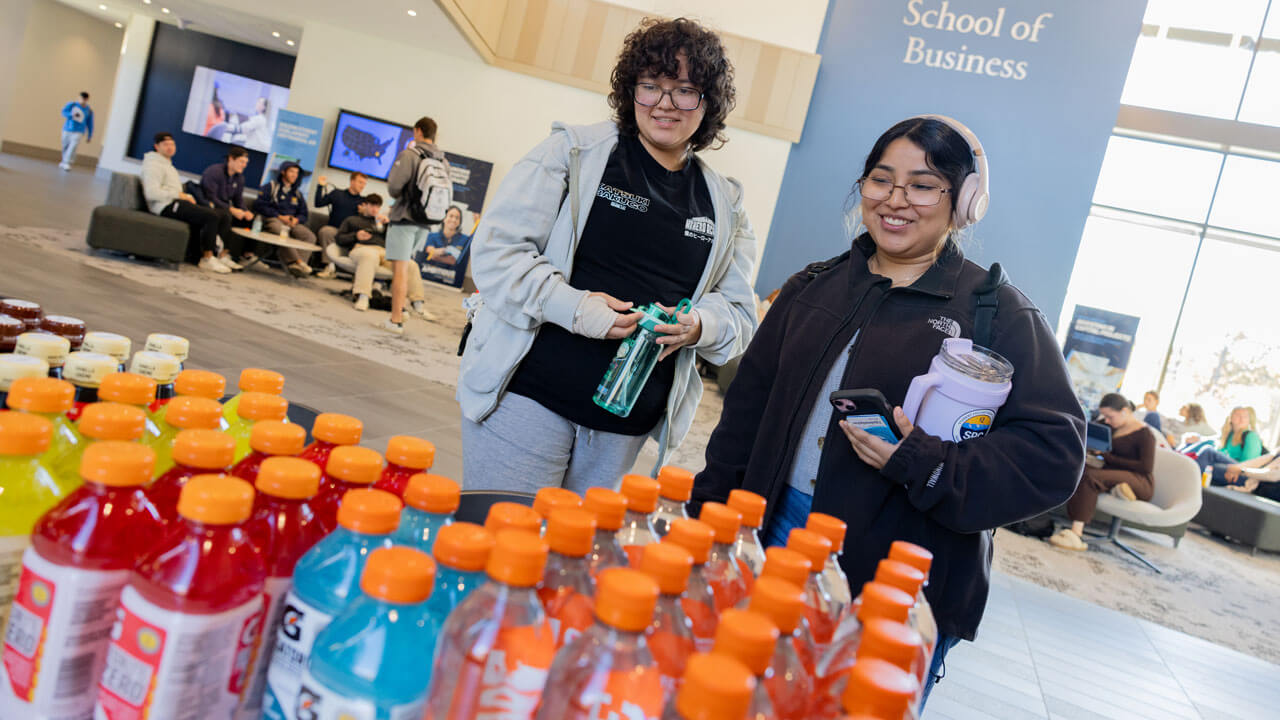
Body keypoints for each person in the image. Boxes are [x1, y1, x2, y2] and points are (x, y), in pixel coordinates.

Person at [689, 115, 1085, 711]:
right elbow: (744, 420)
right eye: (881, 180)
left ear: (964, 203)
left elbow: (1054, 454)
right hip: (772, 541)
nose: (895, 201)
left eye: (923, 185)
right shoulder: (810, 287)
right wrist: (705, 517)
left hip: (897, 576)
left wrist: (922, 461)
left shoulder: (998, 314)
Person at [458, 17, 757, 495]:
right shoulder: (573, 152)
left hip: (625, 423)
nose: (664, 103)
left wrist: (699, 325)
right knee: (503, 549)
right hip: (530, 394)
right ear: (629, 90)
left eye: (684, 90)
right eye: (650, 86)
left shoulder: (724, 203)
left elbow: (740, 315)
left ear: (708, 103)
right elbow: (496, 254)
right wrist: (577, 309)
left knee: (569, 561)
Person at [1050, 393, 1154, 551]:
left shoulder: (1145, 434)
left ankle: (1076, 534)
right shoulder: (1111, 427)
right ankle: (1118, 490)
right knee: (1080, 469)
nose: (1106, 420)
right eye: (1104, 416)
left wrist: (1106, 456)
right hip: (1112, 472)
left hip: (1140, 480)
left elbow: (1145, 467)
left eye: (1109, 416)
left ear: (1125, 411)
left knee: (1091, 477)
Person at [383, 116, 448, 333]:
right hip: (426, 222)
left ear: (418, 131)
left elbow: (393, 188)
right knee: (408, 265)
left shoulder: (410, 155)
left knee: (399, 271)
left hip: (404, 219)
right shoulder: (443, 161)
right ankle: (402, 310)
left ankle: (395, 320)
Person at [140, 132, 233, 274]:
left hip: (175, 203)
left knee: (221, 214)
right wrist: (179, 195)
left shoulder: (168, 165)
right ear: (156, 147)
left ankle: (212, 254)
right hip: (165, 206)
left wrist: (186, 196)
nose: (170, 147)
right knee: (211, 216)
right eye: (165, 144)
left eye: (172, 144)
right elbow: (151, 193)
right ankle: (207, 258)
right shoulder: (153, 165)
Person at [336, 194, 428, 312]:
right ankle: (363, 296)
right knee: (370, 256)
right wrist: (356, 235)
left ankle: (418, 302)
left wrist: (390, 226)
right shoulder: (352, 220)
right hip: (362, 248)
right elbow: (339, 238)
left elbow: (396, 242)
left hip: (384, 252)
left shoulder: (382, 222)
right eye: (372, 206)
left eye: (377, 207)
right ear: (364, 205)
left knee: (410, 264)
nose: (375, 209)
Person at [253, 161, 317, 276]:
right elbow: (259, 205)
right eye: (291, 171)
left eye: (297, 173)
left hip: (292, 224)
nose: (294, 175)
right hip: (274, 219)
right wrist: (279, 216)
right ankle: (297, 262)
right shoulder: (271, 186)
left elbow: (304, 214)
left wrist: (296, 220)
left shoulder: (297, 194)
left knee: (309, 236)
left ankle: (296, 268)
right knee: (280, 230)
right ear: (283, 172)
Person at [199, 146, 256, 268]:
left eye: (246, 163)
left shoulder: (239, 178)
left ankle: (227, 255)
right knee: (226, 215)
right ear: (231, 159)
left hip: (225, 208)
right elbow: (211, 197)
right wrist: (231, 209)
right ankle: (210, 255)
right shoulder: (214, 171)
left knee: (247, 220)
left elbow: (238, 199)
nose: (244, 165)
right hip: (209, 206)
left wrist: (245, 211)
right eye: (241, 161)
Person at [314, 171, 375, 277]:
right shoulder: (337, 194)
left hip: (351, 236)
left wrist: (364, 213)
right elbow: (318, 203)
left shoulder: (364, 202)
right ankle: (330, 267)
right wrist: (320, 186)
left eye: (364, 183)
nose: (362, 186)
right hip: (335, 231)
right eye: (360, 182)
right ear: (352, 181)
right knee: (325, 231)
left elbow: (371, 222)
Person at [1195, 406, 1265, 484]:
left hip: (1243, 474)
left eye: (1245, 416)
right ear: (1230, 418)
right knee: (1208, 465)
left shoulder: (1251, 436)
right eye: (1238, 415)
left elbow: (1249, 464)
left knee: (1208, 452)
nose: (1241, 419)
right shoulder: (1229, 435)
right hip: (1230, 469)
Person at [59, 91, 93, 170]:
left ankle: (67, 162)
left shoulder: (89, 110)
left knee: (73, 146)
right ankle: (64, 161)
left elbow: (90, 123)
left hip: (79, 131)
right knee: (65, 145)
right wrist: (71, 115)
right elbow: (63, 113)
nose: (82, 100)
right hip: (67, 129)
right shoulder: (72, 105)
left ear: (87, 99)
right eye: (81, 98)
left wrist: (90, 135)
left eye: (84, 99)